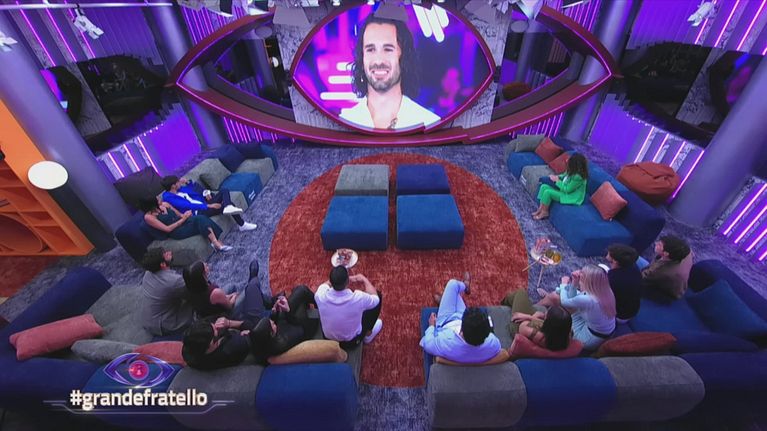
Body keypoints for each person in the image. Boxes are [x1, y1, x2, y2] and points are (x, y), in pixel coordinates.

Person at [182, 284, 318, 370]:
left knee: (291, 296)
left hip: (275, 329)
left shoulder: (191, 355)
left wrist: (274, 314)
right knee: (300, 291)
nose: (218, 329)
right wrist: (284, 313)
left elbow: (257, 333)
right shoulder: (234, 346)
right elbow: (254, 328)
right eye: (216, 334)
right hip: (295, 326)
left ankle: (272, 301)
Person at [340, 15, 440, 130]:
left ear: (403, 57)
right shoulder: (344, 125)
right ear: (362, 58)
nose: (378, 61)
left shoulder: (429, 123)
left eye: (388, 49)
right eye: (370, 50)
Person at [420, 275, 502, 363]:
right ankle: (447, 297)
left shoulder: (448, 343)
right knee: (454, 293)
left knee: (452, 284)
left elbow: (427, 343)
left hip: (445, 321)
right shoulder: (493, 344)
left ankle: (463, 287)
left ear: (461, 330)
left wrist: (431, 326)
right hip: (460, 316)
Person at [537, 265, 616, 351]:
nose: (580, 281)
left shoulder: (588, 299)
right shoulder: (606, 291)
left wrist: (564, 284)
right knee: (557, 295)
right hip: (600, 328)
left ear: (587, 282)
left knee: (556, 298)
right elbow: (572, 298)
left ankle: (537, 307)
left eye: (581, 279)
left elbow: (565, 302)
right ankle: (547, 299)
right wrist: (574, 282)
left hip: (588, 337)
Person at [248, 285, 319, 365]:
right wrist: (288, 311)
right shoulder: (284, 341)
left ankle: (308, 303)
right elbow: (301, 326)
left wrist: (275, 312)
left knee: (298, 291)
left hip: (287, 322)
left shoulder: (260, 341)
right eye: (272, 324)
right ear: (272, 333)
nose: (273, 322)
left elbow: (274, 324)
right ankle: (320, 306)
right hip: (305, 327)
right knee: (302, 292)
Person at [314, 266, 383, 348]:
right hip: (351, 342)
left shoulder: (320, 295)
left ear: (331, 282)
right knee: (378, 296)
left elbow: (324, 285)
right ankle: (368, 335)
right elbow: (375, 299)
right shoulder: (358, 298)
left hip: (328, 339)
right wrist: (364, 279)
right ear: (348, 281)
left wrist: (336, 277)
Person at [183, 260, 271, 323]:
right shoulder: (214, 292)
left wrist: (226, 296)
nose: (207, 264)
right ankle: (254, 284)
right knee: (249, 289)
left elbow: (216, 299)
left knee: (231, 286)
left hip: (207, 311)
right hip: (222, 316)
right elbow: (229, 306)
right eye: (204, 266)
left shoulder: (189, 288)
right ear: (203, 274)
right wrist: (233, 296)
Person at [161, 175, 257, 232]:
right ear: (173, 186)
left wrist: (188, 182)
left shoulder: (181, 189)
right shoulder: (168, 197)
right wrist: (209, 205)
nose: (180, 182)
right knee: (228, 203)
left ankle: (228, 207)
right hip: (198, 211)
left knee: (224, 191)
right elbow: (188, 205)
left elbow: (196, 191)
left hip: (204, 203)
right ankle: (242, 224)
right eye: (178, 182)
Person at [139, 196, 233, 252]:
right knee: (200, 221)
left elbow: (179, 214)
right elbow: (167, 229)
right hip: (176, 231)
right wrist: (183, 219)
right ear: (152, 204)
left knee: (201, 218)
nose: (159, 198)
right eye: (156, 199)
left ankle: (215, 243)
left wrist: (186, 215)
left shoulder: (165, 204)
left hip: (182, 221)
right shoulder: (148, 217)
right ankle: (216, 243)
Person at [139, 248, 194, 336]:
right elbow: (192, 292)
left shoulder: (148, 273)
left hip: (148, 320)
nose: (170, 252)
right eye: (166, 254)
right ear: (163, 264)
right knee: (197, 298)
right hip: (164, 325)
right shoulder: (174, 281)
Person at [501, 289, 572, 351]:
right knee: (526, 303)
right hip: (536, 324)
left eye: (546, 315)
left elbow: (522, 327)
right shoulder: (566, 334)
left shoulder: (538, 335)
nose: (545, 312)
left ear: (548, 323)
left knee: (521, 292)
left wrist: (531, 317)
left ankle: (504, 302)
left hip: (519, 326)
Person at [533, 153, 589, 220]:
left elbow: (567, 189)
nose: (567, 160)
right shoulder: (572, 170)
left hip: (570, 195)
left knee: (548, 192)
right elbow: (564, 175)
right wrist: (556, 177)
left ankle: (545, 212)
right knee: (543, 187)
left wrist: (557, 181)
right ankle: (541, 209)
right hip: (564, 190)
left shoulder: (578, 177)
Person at [641, 235, 694, 300]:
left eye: (659, 245)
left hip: (665, 293)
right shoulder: (687, 251)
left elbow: (643, 278)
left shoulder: (661, 272)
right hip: (677, 283)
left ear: (666, 253)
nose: (656, 243)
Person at [605, 244, 642, 322]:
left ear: (615, 261)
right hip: (633, 310)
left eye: (609, 254)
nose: (606, 256)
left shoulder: (612, 279)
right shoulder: (634, 269)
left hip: (620, 316)